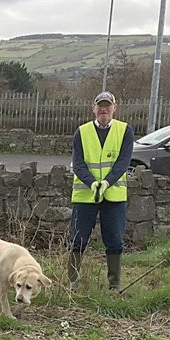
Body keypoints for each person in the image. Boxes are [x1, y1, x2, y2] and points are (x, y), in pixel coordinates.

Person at [68, 91, 134, 290]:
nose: (103, 109)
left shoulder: (125, 131)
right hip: (85, 195)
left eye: (107, 106)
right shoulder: (82, 131)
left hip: (113, 196)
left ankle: (114, 285)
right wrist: (92, 183)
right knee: (77, 239)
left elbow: (123, 163)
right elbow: (77, 164)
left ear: (115, 107)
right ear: (93, 108)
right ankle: (73, 283)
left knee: (114, 239)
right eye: (100, 106)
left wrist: (106, 183)